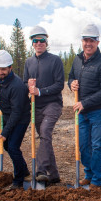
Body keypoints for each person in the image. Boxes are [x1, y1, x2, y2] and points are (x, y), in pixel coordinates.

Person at [68, 23, 101, 189]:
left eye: (91, 40)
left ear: (97, 42)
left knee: (97, 145)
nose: (88, 43)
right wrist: (71, 84)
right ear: (82, 41)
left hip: (99, 111)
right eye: (85, 40)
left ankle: (97, 179)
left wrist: (85, 102)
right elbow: (71, 77)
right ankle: (88, 173)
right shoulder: (77, 60)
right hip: (82, 112)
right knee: (83, 145)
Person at [23, 26, 64, 185]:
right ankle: (53, 174)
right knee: (44, 138)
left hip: (52, 104)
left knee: (45, 131)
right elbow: (25, 83)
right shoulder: (29, 62)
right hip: (36, 106)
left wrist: (40, 91)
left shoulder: (55, 60)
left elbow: (59, 84)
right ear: (32, 43)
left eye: (42, 40)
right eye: (35, 41)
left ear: (46, 42)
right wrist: (29, 86)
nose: (39, 43)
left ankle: (41, 171)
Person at [0, 50, 31, 190]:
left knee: (13, 147)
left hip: (20, 118)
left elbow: (17, 112)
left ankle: (18, 181)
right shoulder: (1, 80)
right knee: (7, 146)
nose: (0, 72)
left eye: (3, 69)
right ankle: (24, 170)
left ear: (10, 68)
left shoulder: (17, 86)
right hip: (9, 117)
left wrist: (5, 132)